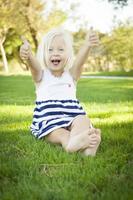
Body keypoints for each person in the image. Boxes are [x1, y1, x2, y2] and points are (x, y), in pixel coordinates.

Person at [19, 27, 101, 156]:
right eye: (50, 50)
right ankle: (71, 143)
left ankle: (87, 149)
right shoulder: (41, 76)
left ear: (68, 54)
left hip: (72, 115)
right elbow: (33, 66)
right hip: (50, 119)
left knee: (83, 119)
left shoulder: (71, 75)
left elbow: (80, 62)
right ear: (43, 54)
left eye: (61, 49)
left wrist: (87, 45)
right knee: (61, 133)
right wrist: (28, 55)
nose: (55, 53)